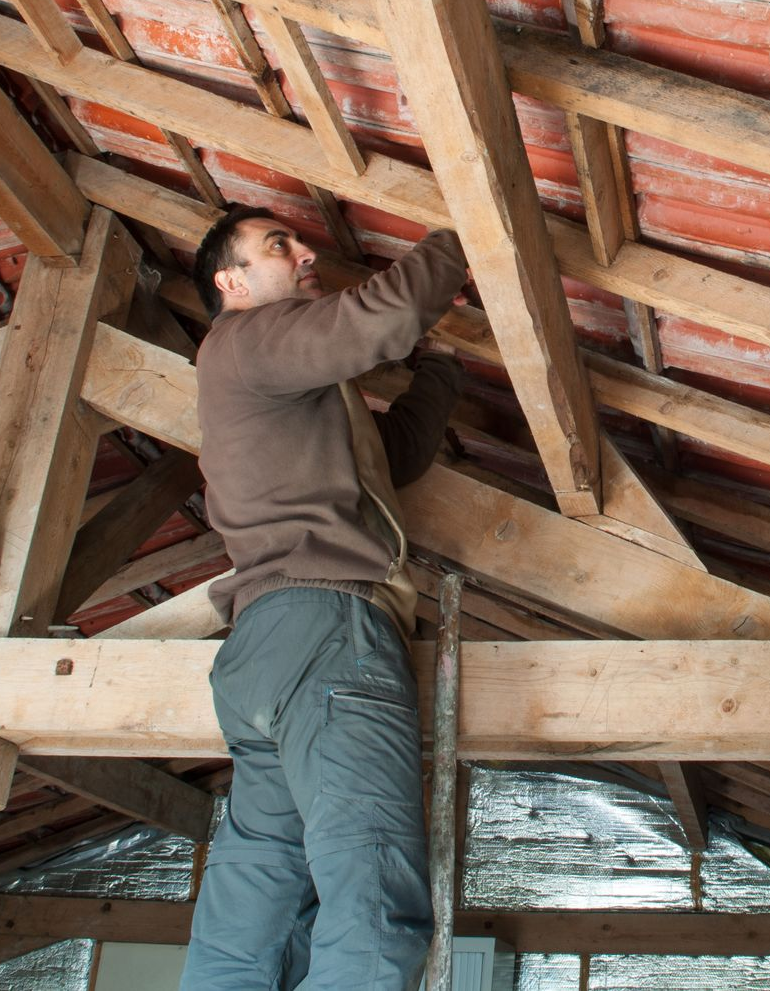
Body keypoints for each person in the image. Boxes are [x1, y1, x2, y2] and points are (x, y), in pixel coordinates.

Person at [179, 204, 470, 991]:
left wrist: (439, 370)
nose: (308, 252)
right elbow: (383, 315)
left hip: (266, 649)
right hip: (326, 630)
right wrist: (467, 230)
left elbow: (391, 460)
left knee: (257, 907)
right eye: (282, 245)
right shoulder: (248, 339)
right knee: (372, 903)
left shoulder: (275, 380)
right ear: (231, 281)